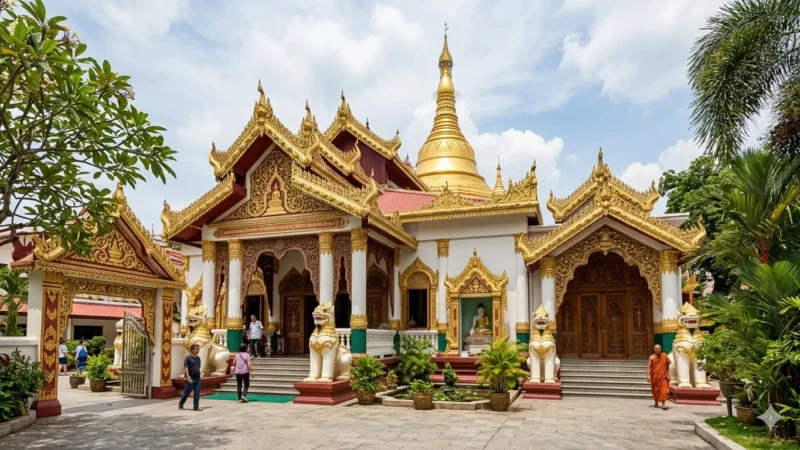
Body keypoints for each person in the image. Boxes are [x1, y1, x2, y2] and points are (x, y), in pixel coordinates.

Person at [178, 343, 203, 411]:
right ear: (192, 350)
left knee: (197, 393)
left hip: (197, 378)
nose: (197, 350)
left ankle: (196, 406)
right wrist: (188, 377)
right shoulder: (188, 358)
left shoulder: (198, 358)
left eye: (198, 349)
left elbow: (198, 367)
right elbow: (186, 368)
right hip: (190, 378)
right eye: (196, 349)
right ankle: (181, 403)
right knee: (187, 392)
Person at [647, 344, 671, 410]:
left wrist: (669, 375)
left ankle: (663, 404)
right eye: (656, 349)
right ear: (654, 349)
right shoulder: (651, 357)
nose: (658, 350)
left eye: (659, 349)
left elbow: (667, 366)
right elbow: (649, 367)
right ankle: (656, 403)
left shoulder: (664, 356)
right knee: (655, 390)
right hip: (655, 376)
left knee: (664, 389)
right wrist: (648, 375)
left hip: (663, 375)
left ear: (661, 349)